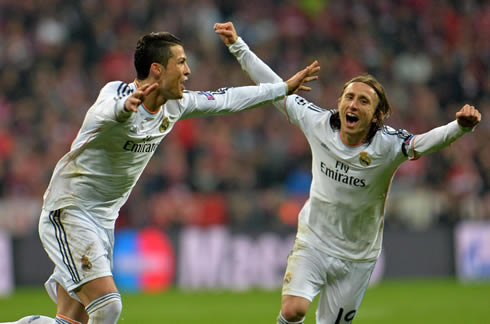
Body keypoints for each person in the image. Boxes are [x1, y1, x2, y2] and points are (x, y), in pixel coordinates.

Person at [7, 30, 319, 324]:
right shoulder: (116, 93)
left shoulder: (176, 105)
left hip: (103, 220)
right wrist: (123, 109)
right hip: (70, 210)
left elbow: (228, 99)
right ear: (157, 69)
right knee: (108, 305)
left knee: (73, 320)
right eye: (181, 62)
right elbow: (102, 112)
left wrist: (282, 88)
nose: (188, 71)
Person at [214, 22, 482, 324]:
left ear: (376, 115)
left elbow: (424, 143)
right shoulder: (318, 122)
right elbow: (275, 89)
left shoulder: (388, 145)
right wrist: (238, 45)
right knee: (293, 310)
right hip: (313, 241)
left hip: (358, 257)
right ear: (340, 102)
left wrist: (459, 127)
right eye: (349, 97)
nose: (353, 104)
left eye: (363, 101)